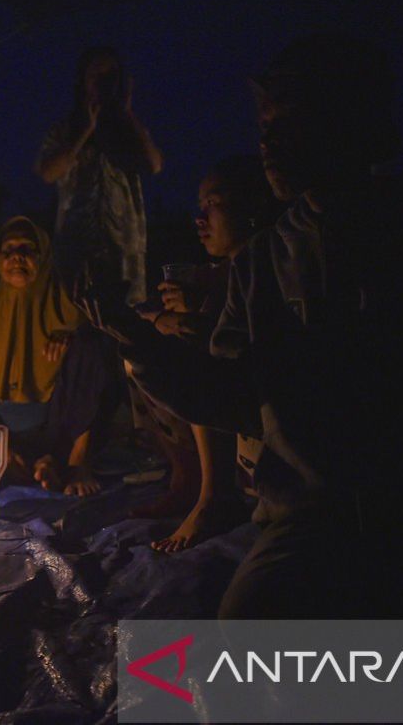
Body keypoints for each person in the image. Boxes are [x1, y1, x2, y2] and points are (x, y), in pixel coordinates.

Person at [82, 34, 403, 617]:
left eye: (290, 119)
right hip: (311, 514)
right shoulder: (265, 261)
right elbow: (234, 394)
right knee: (248, 626)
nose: (267, 138)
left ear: (353, 123)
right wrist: (137, 341)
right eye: (264, 121)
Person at [142, 156, 275, 552]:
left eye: (212, 205)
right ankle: (190, 480)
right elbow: (152, 314)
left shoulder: (271, 266)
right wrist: (166, 317)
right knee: (141, 351)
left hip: (268, 411)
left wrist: (182, 319)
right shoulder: (217, 273)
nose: (199, 218)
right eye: (199, 207)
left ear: (249, 209)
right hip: (243, 400)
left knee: (185, 352)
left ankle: (214, 495)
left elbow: (235, 349)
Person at [0, 216, 124, 496]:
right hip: (10, 438)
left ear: (44, 256)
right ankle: (42, 464)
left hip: (64, 432)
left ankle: (74, 463)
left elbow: (94, 383)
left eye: (26, 248)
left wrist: (73, 337)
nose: (16, 257)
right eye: (8, 250)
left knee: (91, 345)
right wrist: (3, 449)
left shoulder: (71, 315)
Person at [37, 45, 163, 306]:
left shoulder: (127, 129)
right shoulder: (66, 128)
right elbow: (47, 173)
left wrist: (128, 114)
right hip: (77, 245)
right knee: (77, 317)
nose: (103, 82)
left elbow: (155, 164)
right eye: (97, 75)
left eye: (110, 76)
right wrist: (86, 130)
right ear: (83, 81)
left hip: (123, 249)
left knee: (123, 325)